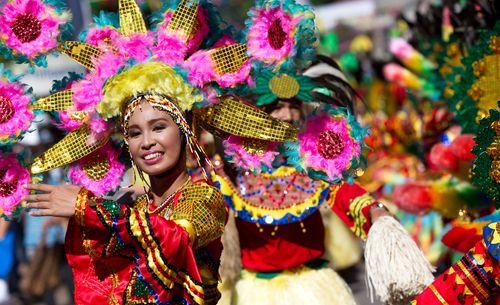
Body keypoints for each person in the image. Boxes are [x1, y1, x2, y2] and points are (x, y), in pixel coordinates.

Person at [23, 64, 228, 305]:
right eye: (134, 133)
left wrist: (88, 208)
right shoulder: (136, 205)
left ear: (185, 131)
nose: (147, 142)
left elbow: (176, 239)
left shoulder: (204, 197)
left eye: (159, 127)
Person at [216, 56, 395, 305]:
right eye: (278, 107)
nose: (288, 116)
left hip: (318, 290)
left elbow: (344, 192)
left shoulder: (315, 162)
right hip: (257, 295)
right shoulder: (232, 171)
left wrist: (374, 211)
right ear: (258, 112)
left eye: (293, 107)